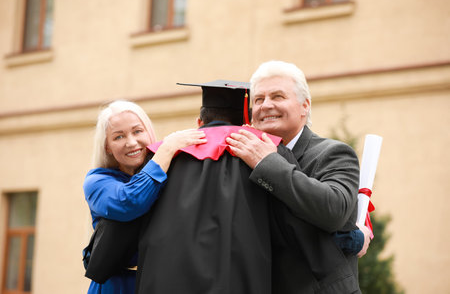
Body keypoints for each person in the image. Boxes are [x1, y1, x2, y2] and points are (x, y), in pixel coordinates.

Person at [227, 60, 371, 293]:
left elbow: (334, 211)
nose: (266, 105)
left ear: (305, 105)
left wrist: (267, 163)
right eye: (258, 99)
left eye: (277, 96)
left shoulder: (334, 153)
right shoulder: (239, 158)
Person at [134, 80, 279, 294]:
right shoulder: (267, 151)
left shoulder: (162, 154)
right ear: (244, 121)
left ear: (199, 122)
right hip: (239, 281)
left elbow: (133, 211)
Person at [83, 100, 206, 294]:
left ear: (149, 132)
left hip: (163, 281)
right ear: (107, 146)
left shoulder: (168, 170)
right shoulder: (97, 182)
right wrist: (166, 149)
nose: (131, 142)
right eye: (119, 137)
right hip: (118, 286)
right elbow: (130, 201)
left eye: (137, 131)